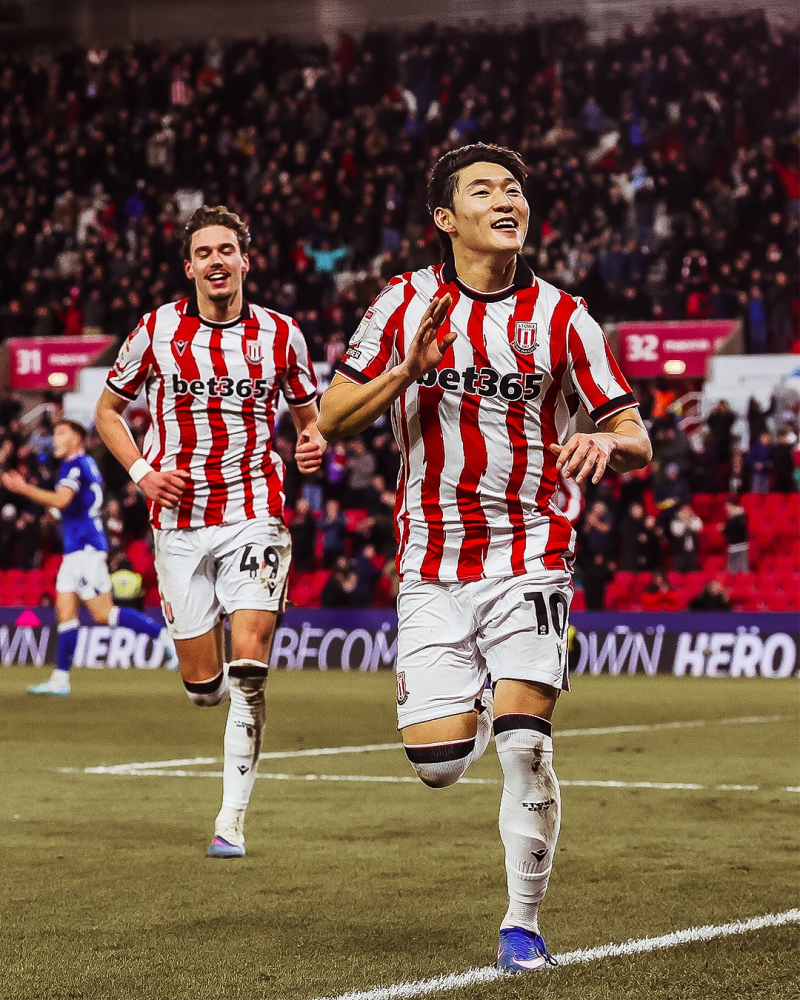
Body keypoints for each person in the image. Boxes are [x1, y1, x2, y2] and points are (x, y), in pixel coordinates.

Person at [318, 144, 651, 973]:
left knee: (526, 745)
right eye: (483, 190)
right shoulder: (403, 303)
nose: (506, 200)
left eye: (514, 189)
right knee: (436, 764)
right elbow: (332, 416)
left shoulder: (565, 317)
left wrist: (606, 445)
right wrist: (407, 371)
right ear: (445, 218)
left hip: (533, 550)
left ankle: (522, 927)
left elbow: (635, 434)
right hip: (431, 559)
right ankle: (473, 699)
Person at [94, 205, 325, 858]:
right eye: (204, 253)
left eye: (227, 250)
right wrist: (142, 473)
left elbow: (309, 420)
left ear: (245, 260)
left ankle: (231, 822)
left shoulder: (282, 334)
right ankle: (212, 685)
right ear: (189, 267)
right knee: (204, 688)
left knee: (249, 668)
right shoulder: (156, 330)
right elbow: (108, 411)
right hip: (178, 523)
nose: (216, 261)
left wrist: (313, 443)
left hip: (254, 512)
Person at [1, 419, 178, 696]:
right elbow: (72, 505)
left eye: (62, 433)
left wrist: (23, 489)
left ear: (77, 438)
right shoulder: (85, 465)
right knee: (65, 613)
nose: (55, 438)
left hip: (86, 549)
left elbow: (62, 500)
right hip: (75, 549)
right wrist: (58, 512)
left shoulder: (74, 465)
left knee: (103, 613)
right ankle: (61, 679)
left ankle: (165, 637)